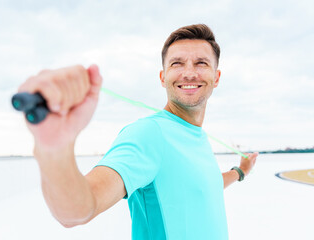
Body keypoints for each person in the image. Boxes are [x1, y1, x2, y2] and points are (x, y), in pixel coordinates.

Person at [18, 24, 258, 239]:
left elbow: (206, 185)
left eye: (201, 63)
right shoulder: (149, 134)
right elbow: (77, 211)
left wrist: (240, 171)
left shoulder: (199, 137)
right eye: (177, 63)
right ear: (163, 77)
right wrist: (55, 148)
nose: (189, 72)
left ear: (216, 78)